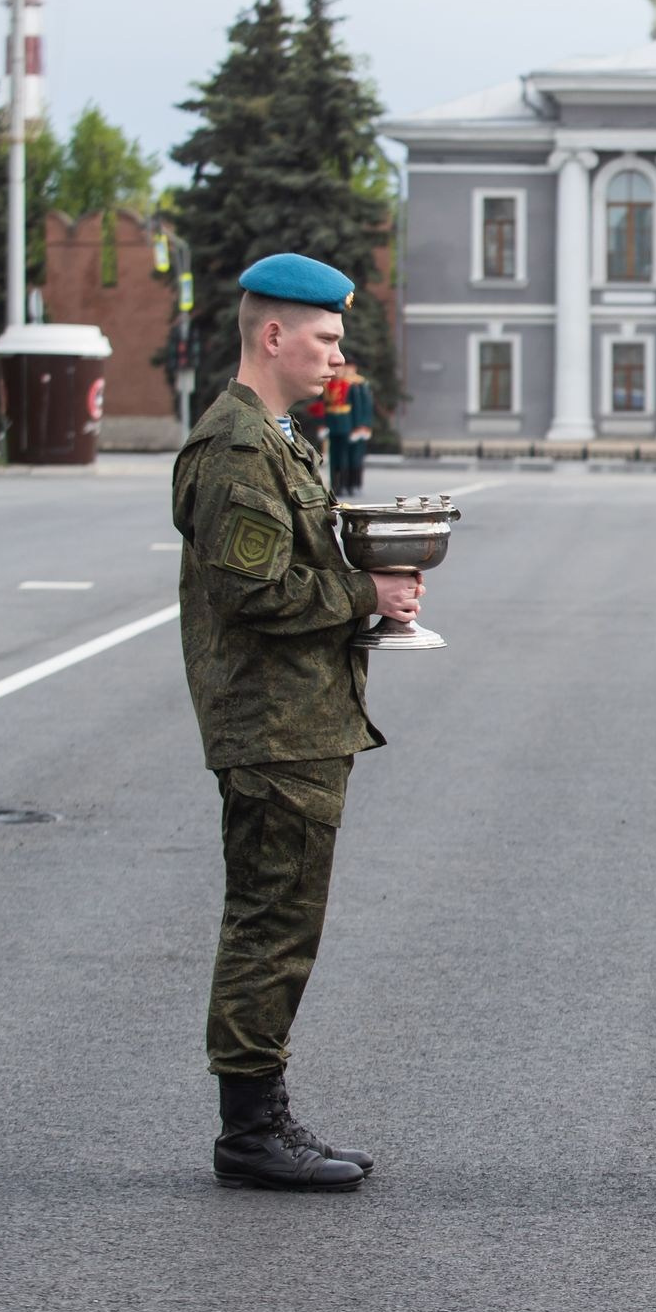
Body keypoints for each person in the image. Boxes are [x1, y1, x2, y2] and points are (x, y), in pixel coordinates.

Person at [171, 252, 424, 1194]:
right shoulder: (238, 447)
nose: (337, 358)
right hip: (273, 727)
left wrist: (374, 586)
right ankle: (250, 1130)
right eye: (324, 340)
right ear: (273, 336)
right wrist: (366, 589)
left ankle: (262, 1114)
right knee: (270, 922)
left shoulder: (274, 437)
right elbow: (253, 591)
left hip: (302, 719)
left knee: (285, 919)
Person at [323, 362, 374, 498]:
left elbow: (361, 407)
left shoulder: (355, 384)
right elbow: (323, 405)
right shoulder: (329, 384)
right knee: (336, 458)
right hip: (334, 425)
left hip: (348, 425)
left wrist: (361, 426)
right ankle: (337, 485)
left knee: (351, 457)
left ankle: (351, 484)